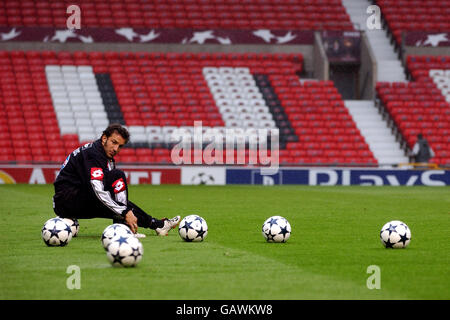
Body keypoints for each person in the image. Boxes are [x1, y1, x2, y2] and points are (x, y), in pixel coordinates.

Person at [52, 123, 180, 237]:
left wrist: (125, 211)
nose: (116, 149)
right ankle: (125, 227)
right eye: (114, 142)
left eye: (120, 146)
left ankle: (157, 225)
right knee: (117, 177)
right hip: (68, 201)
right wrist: (125, 212)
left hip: (75, 198)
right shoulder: (93, 154)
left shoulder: (102, 154)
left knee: (117, 200)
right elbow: (97, 189)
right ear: (104, 138)